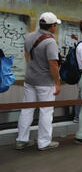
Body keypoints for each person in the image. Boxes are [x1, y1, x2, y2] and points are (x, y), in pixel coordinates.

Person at [16, 12, 61, 151]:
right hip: (45, 82)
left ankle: (21, 140)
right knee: (46, 111)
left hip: (30, 79)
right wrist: (57, 83)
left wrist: (32, 67)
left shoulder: (29, 36)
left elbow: (26, 54)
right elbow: (53, 64)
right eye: (55, 25)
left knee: (27, 109)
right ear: (52, 26)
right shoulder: (50, 42)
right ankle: (44, 142)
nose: (56, 27)